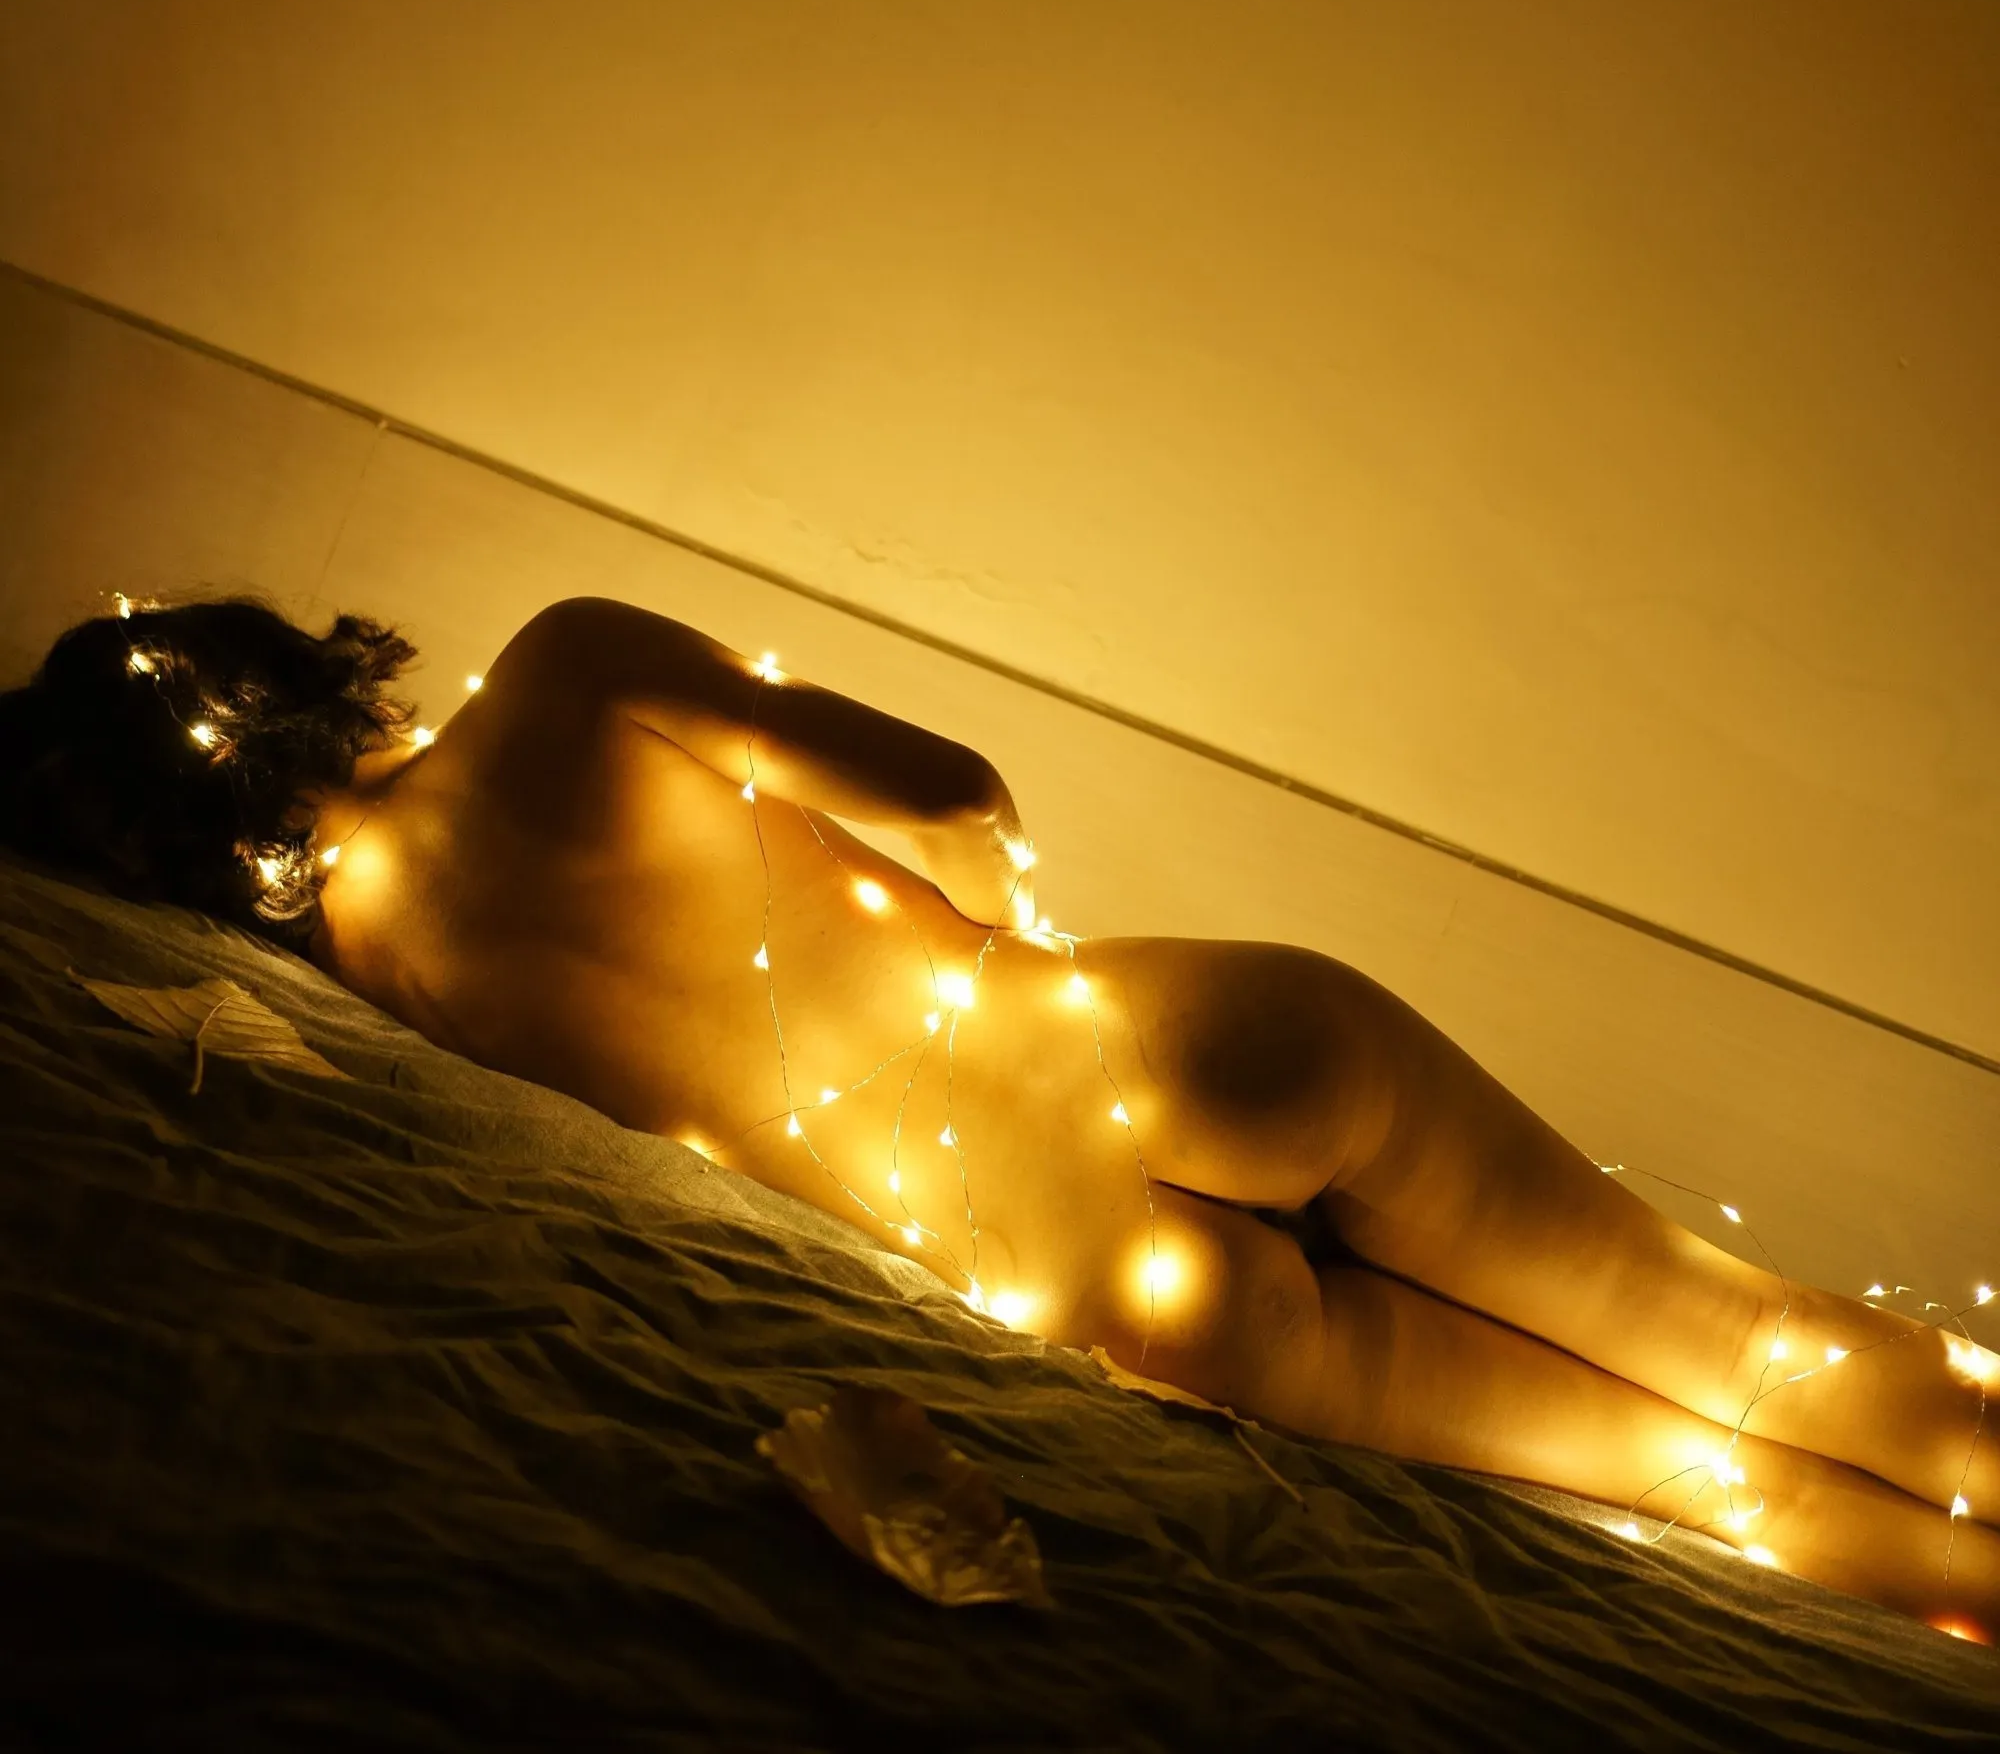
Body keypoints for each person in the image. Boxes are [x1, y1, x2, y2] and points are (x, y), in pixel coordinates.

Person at [2, 589, 1993, 1640]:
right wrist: (983, 937)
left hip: (1097, 1287)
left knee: (1693, 1482)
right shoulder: (563, 671)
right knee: (1746, 1341)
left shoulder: (376, 985)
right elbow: (955, 789)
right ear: (271, 665)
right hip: (1167, 1051)